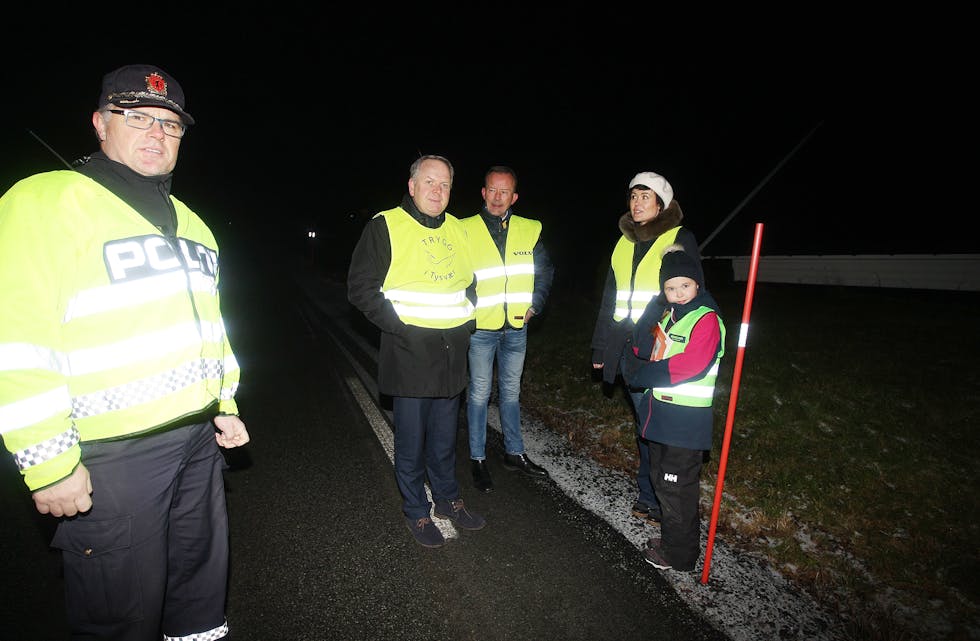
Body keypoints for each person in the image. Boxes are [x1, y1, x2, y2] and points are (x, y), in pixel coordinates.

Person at [0, 64, 249, 640]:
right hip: (111, 457)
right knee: (121, 615)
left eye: (170, 125)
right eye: (136, 117)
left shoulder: (194, 224)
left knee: (198, 597)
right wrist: (49, 464)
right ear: (99, 124)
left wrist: (225, 404)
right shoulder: (46, 201)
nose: (156, 133)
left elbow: (210, 326)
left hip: (195, 444)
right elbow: (16, 342)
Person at [347, 154, 486, 548]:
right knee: (411, 443)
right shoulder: (385, 226)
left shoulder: (459, 230)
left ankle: (447, 500)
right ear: (412, 186)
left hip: (450, 354)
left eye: (444, 184)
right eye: (429, 182)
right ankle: (416, 512)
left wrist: (467, 322)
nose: (437, 191)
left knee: (444, 439)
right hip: (409, 355)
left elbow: (471, 284)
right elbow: (360, 288)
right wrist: (399, 329)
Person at [590, 171, 704, 527]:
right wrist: (599, 347)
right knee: (644, 423)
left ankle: (658, 497)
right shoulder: (623, 243)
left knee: (656, 425)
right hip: (626, 346)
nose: (637, 203)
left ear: (661, 203)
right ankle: (648, 493)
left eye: (646, 196)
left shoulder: (678, 238)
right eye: (633, 196)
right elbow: (612, 297)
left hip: (660, 347)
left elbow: (692, 293)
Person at [620, 246, 725, 571]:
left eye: (685, 286)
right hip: (661, 418)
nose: (678, 294)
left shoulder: (705, 318)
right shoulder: (671, 314)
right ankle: (671, 541)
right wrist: (655, 305)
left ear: (698, 285)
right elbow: (641, 345)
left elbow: (691, 364)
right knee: (662, 482)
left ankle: (679, 556)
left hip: (684, 424)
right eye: (670, 288)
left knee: (676, 490)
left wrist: (645, 375)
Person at [462, 166, 555, 492]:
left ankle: (514, 454)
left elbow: (543, 271)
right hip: (481, 329)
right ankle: (477, 459)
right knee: (479, 394)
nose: (498, 197)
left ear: (514, 197)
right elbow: (456, 276)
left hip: (517, 326)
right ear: (483, 192)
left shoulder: (530, 229)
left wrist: (536, 304)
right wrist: (466, 309)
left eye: (505, 192)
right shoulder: (464, 229)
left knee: (512, 394)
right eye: (492, 190)